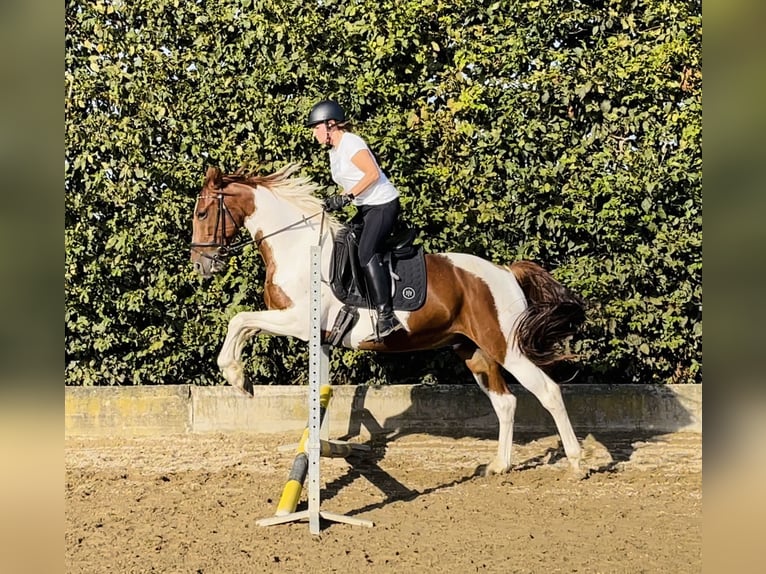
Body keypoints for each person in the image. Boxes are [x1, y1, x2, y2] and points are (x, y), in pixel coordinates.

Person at [306, 99, 404, 340]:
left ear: (331, 125)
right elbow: (351, 182)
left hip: (382, 205)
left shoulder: (351, 142)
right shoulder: (334, 152)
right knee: (345, 240)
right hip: (366, 207)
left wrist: (347, 196)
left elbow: (372, 173)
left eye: (316, 127)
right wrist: (336, 199)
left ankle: (386, 317)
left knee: (366, 253)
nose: (314, 133)